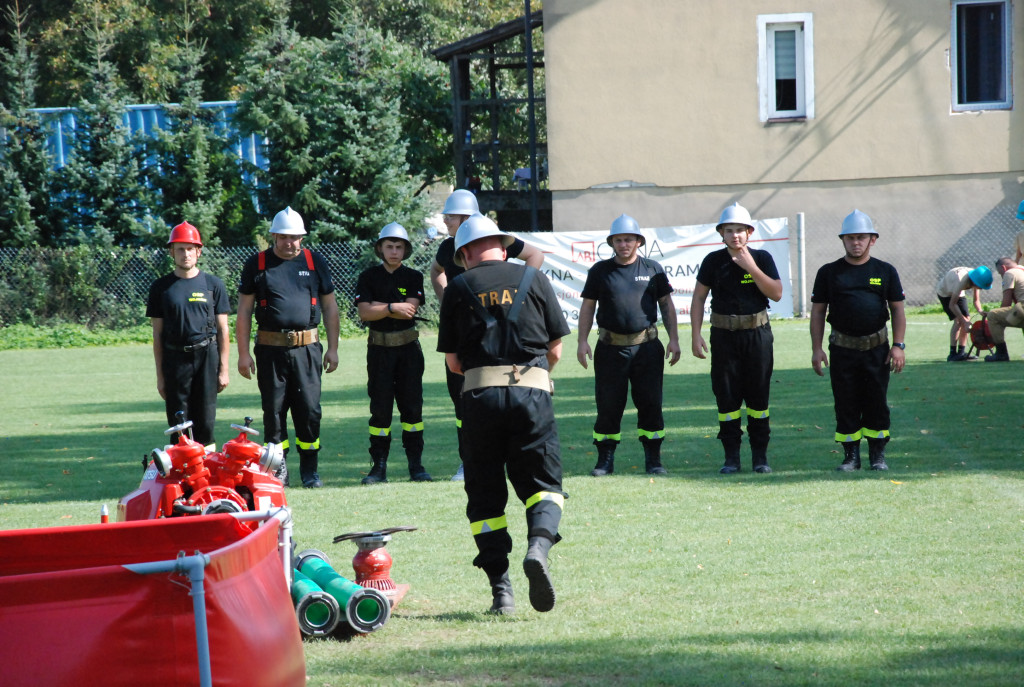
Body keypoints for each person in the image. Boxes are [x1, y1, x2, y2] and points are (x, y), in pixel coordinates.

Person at [437, 213, 569, 615]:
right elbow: (556, 350)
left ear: (465, 252)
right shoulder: (535, 278)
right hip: (532, 395)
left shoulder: (458, 287)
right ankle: (538, 547)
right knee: (545, 485)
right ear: (501, 243)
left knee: (485, 496)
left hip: (480, 401)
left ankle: (502, 592)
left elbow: (455, 364)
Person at [429, 189, 544, 481]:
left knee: (512, 390)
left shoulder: (492, 240)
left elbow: (535, 255)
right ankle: (468, 461)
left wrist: (522, 288)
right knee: (462, 396)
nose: (446, 223)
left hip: (501, 326)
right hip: (465, 330)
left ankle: (517, 458)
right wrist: (447, 305)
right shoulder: (448, 247)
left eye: (450, 218)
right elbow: (436, 271)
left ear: (467, 217)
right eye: (445, 218)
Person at [236, 206, 340, 488]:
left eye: (294, 237)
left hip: (308, 350)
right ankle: (278, 470)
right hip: (270, 350)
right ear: (273, 236)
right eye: (282, 237)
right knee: (274, 411)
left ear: (302, 238)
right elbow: (244, 311)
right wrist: (243, 354)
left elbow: (330, 306)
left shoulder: (314, 261)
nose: (288, 242)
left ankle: (310, 471)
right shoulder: (256, 264)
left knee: (309, 410)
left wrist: (333, 348)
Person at [576, 214, 681, 477]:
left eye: (629, 239)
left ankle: (654, 460)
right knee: (609, 405)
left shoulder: (652, 269)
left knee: (650, 403)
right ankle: (605, 460)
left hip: (647, 348)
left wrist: (675, 340)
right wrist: (582, 341)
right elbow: (588, 307)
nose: (624, 244)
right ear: (611, 242)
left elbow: (666, 305)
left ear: (638, 242)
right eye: (619, 240)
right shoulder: (600, 271)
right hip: (610, 349)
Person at [810, 209, 906, 472]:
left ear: (872, 239)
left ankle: (878, 455)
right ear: (842, 240)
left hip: (878, 349)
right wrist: (816, 349)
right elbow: (818, 312)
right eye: (850, 238)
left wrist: (898, 345)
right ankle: (851, 456)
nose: (856, 242)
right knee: (845, 401)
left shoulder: (885, 271)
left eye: (861, 237)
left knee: (876, 401)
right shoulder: (829, 272)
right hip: (842, 349)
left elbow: (897, 308)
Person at [690, 203, 782, 474]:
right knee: (726, 398)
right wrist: (695, 335)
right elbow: (698, 298)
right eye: (728, 230)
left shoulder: (762, 258)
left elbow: (776, 293)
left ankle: (760, 458)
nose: (735, 236)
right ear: (721, 233)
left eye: (740, 230)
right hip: (723, 337)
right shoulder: (713, 261)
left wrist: (750, 266)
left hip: (757, 336)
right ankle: (731, 458)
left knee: (758, 398)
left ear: (749, 232)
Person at [354, 223, 431, 484]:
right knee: (380, 410)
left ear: (406, 249)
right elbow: (364, 313)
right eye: (389, 246)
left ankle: (416, 466)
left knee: (412, 410)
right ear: (380, 248)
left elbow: (409, 310)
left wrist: (379, 306)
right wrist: (391, 306)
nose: (394, 251)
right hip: (379, 351)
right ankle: (379, 467)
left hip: (409, 351)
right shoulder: (368, 277)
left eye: (399, 247)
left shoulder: (413, 277)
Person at [146, 221, 230, 449]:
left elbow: (223, 330)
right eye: (180, 249)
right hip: (175, 360)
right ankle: (182, 476)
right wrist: (161, 376)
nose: (186, 254)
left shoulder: (213, 285)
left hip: (206, 357)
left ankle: (207, 475)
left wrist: (223, 369)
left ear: (198, 251)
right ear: (172, 252)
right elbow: (157, 335)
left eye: (190, 249)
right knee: (178, 421)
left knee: (206, 420)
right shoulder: (161, 288)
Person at [934, 265, 991, 361]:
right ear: (974, 282)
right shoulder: (961, 281)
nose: (980, 289)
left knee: (966, 319)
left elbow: (976, 300)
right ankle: (952, 354)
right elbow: (952, 304)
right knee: (958, 321)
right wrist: (964, 321)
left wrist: (980, 311)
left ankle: (961, 353)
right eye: (980, 287)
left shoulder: (977, 277)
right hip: (945, 293)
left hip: (958, 293)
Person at [981, 257, 1024, 362]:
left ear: (1004, 268)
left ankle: (1001, 354)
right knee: (1018, 313)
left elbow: (1006, 303)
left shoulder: (1009, 273)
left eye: (1000, 274)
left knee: (993, 315)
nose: (1002, 276)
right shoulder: (1022, 269)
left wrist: (998, 317)